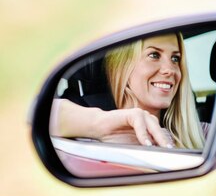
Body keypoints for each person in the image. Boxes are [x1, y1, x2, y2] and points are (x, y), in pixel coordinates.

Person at [51, 33, 207, 150]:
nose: (170, 70)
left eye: (175, 59)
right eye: (154, 55)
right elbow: (46, 116)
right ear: (121, 67)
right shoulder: (90, 137)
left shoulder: (200, 132)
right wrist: (102, 126)